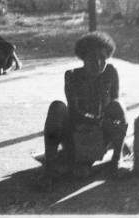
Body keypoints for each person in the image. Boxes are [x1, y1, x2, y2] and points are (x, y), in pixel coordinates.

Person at [43, 31, 128, 184]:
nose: (98, 63)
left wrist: (107, 122)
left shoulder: (111, 72)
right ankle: (49, 166)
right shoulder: (72, 76)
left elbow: (115, 105)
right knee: (57, 107)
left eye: (102, 58)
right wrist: (98, 120)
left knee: (119, 105)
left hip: (102, 136)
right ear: (83, 58)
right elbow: (74, 112)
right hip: (76, 134)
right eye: (92, 58)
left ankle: (117, 159)